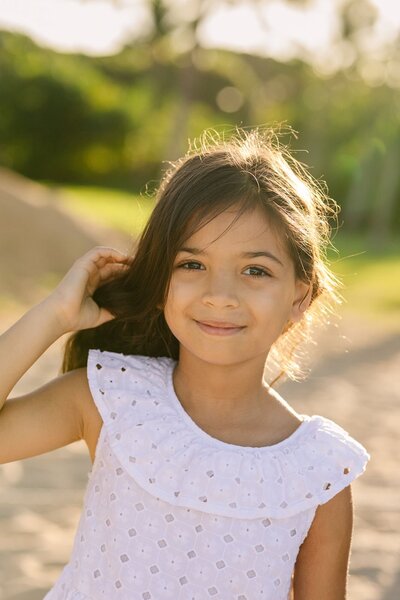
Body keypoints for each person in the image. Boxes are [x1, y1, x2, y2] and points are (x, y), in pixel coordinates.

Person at [0, 127, 370, 600]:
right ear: (160, 280)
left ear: (300, 297)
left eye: (255, 270)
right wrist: (55, 315)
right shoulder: (111, 398)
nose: (220, 295)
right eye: (192, 264)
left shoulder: (317, 471)